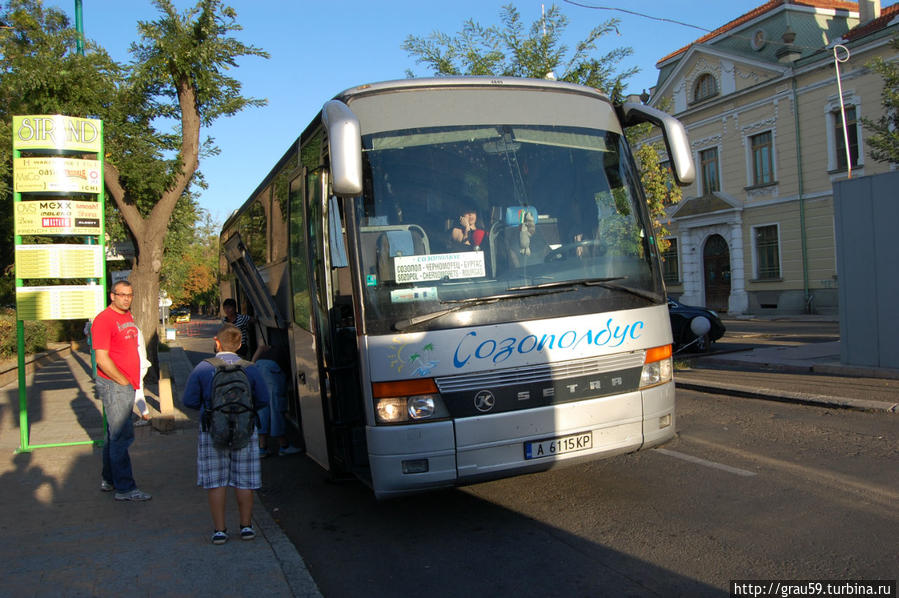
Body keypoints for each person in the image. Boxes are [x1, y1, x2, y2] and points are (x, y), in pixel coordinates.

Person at [182, 323, 270, 545]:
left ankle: (220, 530)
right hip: (245, 428)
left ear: (217, 342)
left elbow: (189, 401)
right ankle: (246, 527)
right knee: (244, 481)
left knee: (216, 481)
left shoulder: (203, 367)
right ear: (240, 345)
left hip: (212, 429)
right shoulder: (249, 368)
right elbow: (262, 400)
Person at [92, 280, 152, 502]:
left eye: (130, 294)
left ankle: (109, 479)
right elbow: (102, 358)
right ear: (112, 296)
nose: (126, 298)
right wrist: (123, 381)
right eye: (122, 294)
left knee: (113, 435)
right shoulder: (104, 320)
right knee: (121, 437)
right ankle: (125, 489)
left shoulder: (126, 316)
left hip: (126, 384)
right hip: (116, 385)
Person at [251, 344, 302, 458]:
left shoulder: (271, 349)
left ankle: (262, 447)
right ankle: (283, 445)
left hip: (259, 366)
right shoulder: (292, 351)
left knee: (263, 408)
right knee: (276, 407)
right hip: (273, 369)